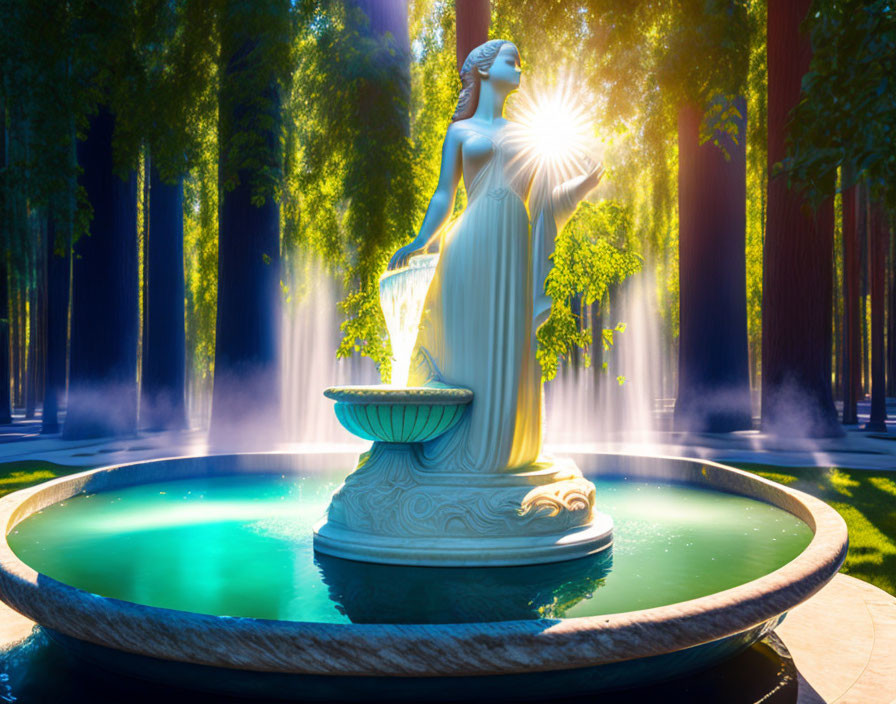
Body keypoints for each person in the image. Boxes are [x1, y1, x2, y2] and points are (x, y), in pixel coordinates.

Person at [386, 40, 604, 473]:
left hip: (513, 248)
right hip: (466, 246)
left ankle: (502, 454)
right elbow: (444, 195)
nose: (520, 68)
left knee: (511, 343)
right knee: (465, 347)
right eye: (512, 61)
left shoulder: (528, 137)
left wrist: (583, 185)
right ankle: (457, 450)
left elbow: (545, 205)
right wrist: (420, 241)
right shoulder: (460, 133)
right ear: (484, 70)